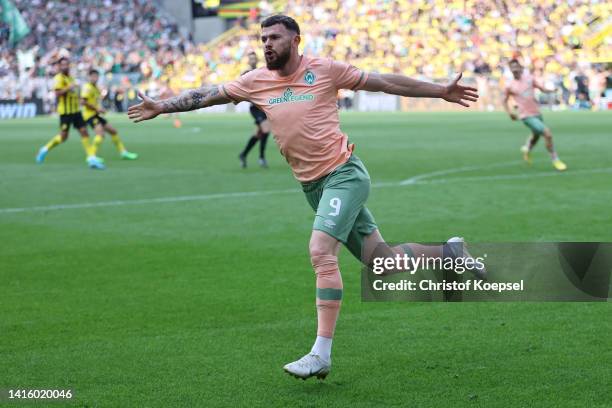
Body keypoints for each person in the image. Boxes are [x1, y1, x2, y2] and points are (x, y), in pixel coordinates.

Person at [128, 14, 483, 381]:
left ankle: (321, 354)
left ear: (296, 40)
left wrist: (439, 89)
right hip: (313, 188)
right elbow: (206, 95)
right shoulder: (255, 81)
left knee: (319, 251)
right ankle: (450, 253)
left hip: (344, 175)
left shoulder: (325, 70)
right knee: (383, 263)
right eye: (262, 38)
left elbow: (384, 82)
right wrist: (163, 106)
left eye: (275, 37)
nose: (266, 44)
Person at [36, 57, 104, 169]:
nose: (65, 66)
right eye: (62, 65)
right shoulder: (59, 78)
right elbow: (57, 93)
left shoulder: (71, 78)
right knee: (63, 136)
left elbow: (74, 93)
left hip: (76, 111)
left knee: (84, 132)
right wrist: (69, 87)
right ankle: (44, 149)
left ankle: (91, 158)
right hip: (65, 113)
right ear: (59, 66)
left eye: (66, 64)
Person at [503, 59, 567, 171]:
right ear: (510, 70)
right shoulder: (510, 86)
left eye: (516, 67)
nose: (515, 69)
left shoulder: (530, 79)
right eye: (512, 67)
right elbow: (504, 100)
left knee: (536, 135)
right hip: (525, 116)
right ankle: (555, 160)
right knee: (547, 133)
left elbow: (542, 88)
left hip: (536, 112)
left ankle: (527, 148)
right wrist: (510, 113)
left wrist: (551, 90)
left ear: (520, 68)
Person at [81, 69, 138, 160]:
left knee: (113, 131)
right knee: (100, 134)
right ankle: (91, 156)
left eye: (96, 76)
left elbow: (97, 99)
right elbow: (83, 101)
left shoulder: (95, 87)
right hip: (89, 115)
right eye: (93, 76)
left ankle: (123, 152)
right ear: (89, 77)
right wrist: (97, 109)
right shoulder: (87, 87)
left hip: (96, 114)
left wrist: (100, 108)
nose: (95, 78)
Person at [238, 51, 272, 168]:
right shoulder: (245, 74)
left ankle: (243, 154)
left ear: (257, 60)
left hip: (263, 107)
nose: (253, 60)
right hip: (255, 108)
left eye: (254, 58)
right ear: (248, 60)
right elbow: (240, 89)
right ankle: (261, 157)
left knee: (259, 134)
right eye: (251, 58)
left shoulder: (261, 71)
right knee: (266, 130)